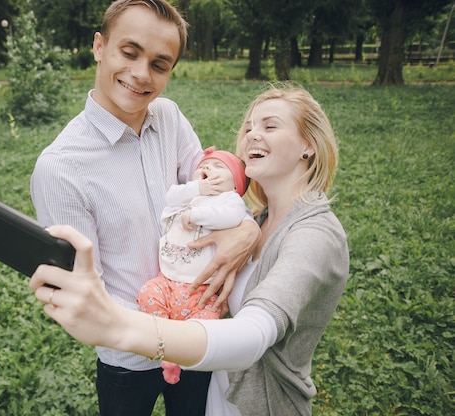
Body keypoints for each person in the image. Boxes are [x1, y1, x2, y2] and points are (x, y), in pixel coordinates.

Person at [30, 84, 350, 415]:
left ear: (308, 146)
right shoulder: (259, 219)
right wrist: (248, 228)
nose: (252, 135)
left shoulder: (315, 236)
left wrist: (117, 326)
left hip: (258, 406)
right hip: (214, 396)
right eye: (248, 126)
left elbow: (253, 335)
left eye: (269, 126)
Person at [30, 1, 260, 415]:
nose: (141, 74)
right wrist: (156, 332)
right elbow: (87, 292)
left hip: (197, 330)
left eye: (159, 64)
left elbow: (215, 189)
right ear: (99, 46)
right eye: (129, 52)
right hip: (128, 355)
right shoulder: (61, 167)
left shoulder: (168, 117)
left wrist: (247, 228)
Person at [136, 146, 251, 384]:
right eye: (204, 166)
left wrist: (196, 215)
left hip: (202, 291)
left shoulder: (229, 200)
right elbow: (171, 197)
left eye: (219, 166)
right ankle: (164, 346)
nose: (208, 168)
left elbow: (231, 216)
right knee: (148, 294)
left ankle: (176, 356)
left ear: (236, 185)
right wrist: (198, 188)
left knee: (207, 325)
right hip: (166, 281)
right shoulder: (187, 196)